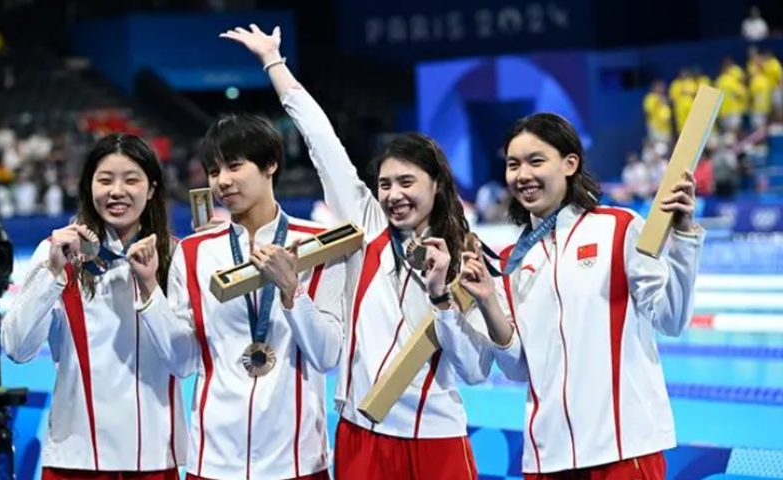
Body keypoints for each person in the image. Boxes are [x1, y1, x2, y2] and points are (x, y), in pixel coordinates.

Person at [218, 23, 488, 480]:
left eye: (407, 183)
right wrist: (273, 62)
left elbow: (475, 370)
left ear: (437, 186)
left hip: (437, 438)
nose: (394, 195)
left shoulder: (468, 258)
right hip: (361, 433)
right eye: (385, 184)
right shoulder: (367, 224)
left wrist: (442, 298)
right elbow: (321, 141)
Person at [446, 113, 704, 479]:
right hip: (547, 456)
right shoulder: (512, 261)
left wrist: (684, 239)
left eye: (536, 161)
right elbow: (518, 368)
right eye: (513, 164)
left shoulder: (618, 228)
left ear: (570, 163)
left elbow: (672, 319)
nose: (523, 175)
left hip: (623, 449)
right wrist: (488, 301)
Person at [134, 110, 346, 480]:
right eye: (214, 172)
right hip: (214, 462)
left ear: (270, 164)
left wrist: (292, 291)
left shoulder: (318, 244)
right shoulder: (195, 252)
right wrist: (150, 290)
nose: (223, 181)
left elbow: (327, 355)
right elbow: (183, 362)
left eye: (234, 166)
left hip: (297, 461)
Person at [1, 133, 186, 480]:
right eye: (105, 180)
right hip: (76, 459)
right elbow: (16, 348)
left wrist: (149, 287)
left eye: (131, 179)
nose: (117, 191)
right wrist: (53, 273)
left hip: (152, 458)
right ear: (88, 188)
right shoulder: (54, 252)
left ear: (151, 189)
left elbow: (186, 361)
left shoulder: (175, 257)